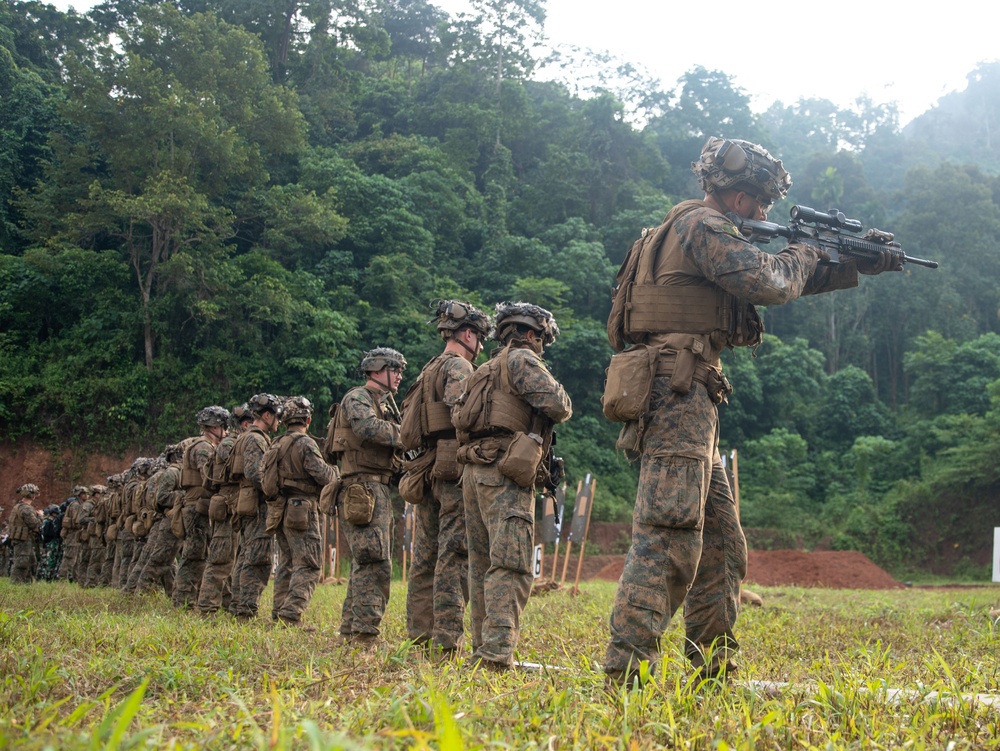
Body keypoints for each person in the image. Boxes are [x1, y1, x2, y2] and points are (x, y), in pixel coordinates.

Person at [602, 137, 902, 688]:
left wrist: (854, 263)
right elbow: (768, 279)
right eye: (760, 203)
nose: (764, 214)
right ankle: (625, 676)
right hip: (677, 392)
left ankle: (712, 672)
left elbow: (777, 271)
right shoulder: (703, 226)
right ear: (738, 198)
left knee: (720, 543)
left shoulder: (683, 228)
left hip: (688, 393)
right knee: (667, 536)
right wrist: (810, 251)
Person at [456, 302, 573, 671]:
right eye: (540, 338)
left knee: (482, 565)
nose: (541, 345)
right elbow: (559, 404)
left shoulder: (483, 370)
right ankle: (495, 656)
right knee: (511, 565)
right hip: (504, 470)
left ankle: (482, 649)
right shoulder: (522, 361)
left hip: (474, 470)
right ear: (529, 334)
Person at [404, 300, 492, 656]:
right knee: (454, 557)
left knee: (424, 557)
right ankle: (445, 641)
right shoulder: (458, 366)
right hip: (451, 471)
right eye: (480, 338)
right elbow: (463, 414)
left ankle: (419, 635)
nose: (482, 346)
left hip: (424, 469)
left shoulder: (428, 369)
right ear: (467, 334)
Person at [329, 348, 406, 646]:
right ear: (376, 370)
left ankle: (351, 632)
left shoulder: (386, 404)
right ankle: (363, 635)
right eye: (394, 368)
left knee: (367, 561)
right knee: (375, 562)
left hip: (377, 487)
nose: (399, 375)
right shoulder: (358, 397)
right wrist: (408, 433)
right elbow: (367, 428)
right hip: (362, 488)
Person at [266, 396, 339, 628]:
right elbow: (323, 475)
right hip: (303, 510)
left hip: (280, 509)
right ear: (307, 419)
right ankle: (291, 614)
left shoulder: (276, 443)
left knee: (287, 563)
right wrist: (336, 471)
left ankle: (279, 611)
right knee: (308, 564)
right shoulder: (305, 444)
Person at [197, 404, 253, 616]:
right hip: (227, 505)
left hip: (230, 505)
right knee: (220, 560)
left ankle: (226, 604)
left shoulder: (228, 443)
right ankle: (206, 609)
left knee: (229, 559)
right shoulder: (230, 445)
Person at [230, 393, 281, 620]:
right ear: (267, 415)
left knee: (245, 555)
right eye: (277, 416)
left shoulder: (246, 437)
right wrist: (275, 492)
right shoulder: (256, 439)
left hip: (248, 502)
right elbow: (255, 473)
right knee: (258, 558)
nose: (279, 421)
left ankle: (238, 606)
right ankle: (246, 610)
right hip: (257, 504)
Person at [173, 405, 230, 608]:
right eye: (224, 426)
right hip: (197, 507)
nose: (226, 431)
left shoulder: (198, 445)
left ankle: (187, 599)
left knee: (197, 554)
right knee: (194, 556)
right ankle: (183, 600)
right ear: (215, 427)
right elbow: (209, 476)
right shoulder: (204, 448)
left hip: (197, 505)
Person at [9, 484, 43, 583]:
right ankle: (17, 584)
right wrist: (40, 516)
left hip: (23, 539)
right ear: (32, 495)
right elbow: (34, 525)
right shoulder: (26, 508)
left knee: (30, 562)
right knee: (22, 563)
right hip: (24, 540)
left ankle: (27, 584)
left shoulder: (18, 506)